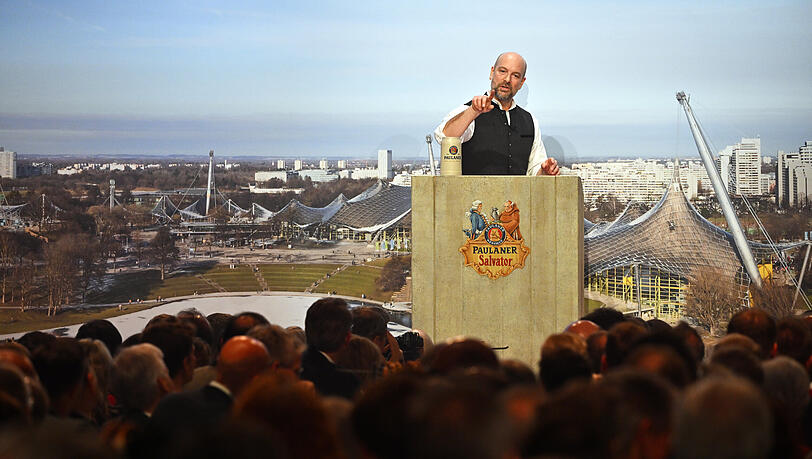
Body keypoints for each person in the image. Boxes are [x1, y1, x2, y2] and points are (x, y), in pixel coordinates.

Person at [434, 52, 560, 176]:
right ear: (492, 73)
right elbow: (444, 137)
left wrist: (545, 171)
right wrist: (473, 111)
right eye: (502, 71)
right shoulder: (469, 111)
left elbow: (535, 169)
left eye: (515, 75)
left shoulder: (530, 121)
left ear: (522, 82)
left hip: (518, 191)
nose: (507, 79)